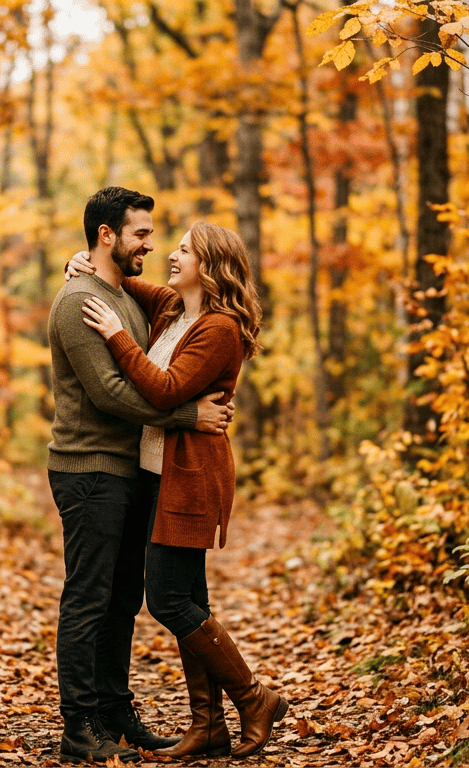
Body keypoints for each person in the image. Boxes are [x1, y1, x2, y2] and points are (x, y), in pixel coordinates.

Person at [67, 221, 289, 759]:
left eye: (184, 250)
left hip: (189, 477)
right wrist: (85, 262)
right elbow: (124, 279)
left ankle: (252, 696)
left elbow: (165, 390)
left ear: (208, 265)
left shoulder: (219, 329)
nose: (170, 253)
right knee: (191, 598)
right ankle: (207, 726)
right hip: (156, 476)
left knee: (168, 599)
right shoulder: (173, 310)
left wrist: (117, 338)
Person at [47, 187, 234, 764]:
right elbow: (108, 393)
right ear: (107, 235)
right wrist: (189, 415)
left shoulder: (124, 295)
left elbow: (153, 354)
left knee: (123, 599)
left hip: (126, 472)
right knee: (89, 599)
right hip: (87, 469)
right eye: (142, 235)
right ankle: (79, 727)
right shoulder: (79, 300)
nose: (150, 246)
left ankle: (114, 713)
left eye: (155, 236)